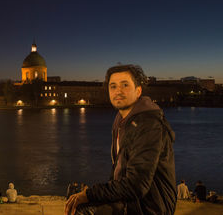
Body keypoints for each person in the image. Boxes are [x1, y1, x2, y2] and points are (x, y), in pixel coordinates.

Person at [65, 65, 176, 215]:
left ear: (138, 91)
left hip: (151, 206)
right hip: (135, 198)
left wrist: (89, 194)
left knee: (83, 211)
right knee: (76, 204)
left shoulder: (148, 125)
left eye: (125, 85)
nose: (118, 91)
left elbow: (137, 185)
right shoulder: (122, 121)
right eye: (113, 86)